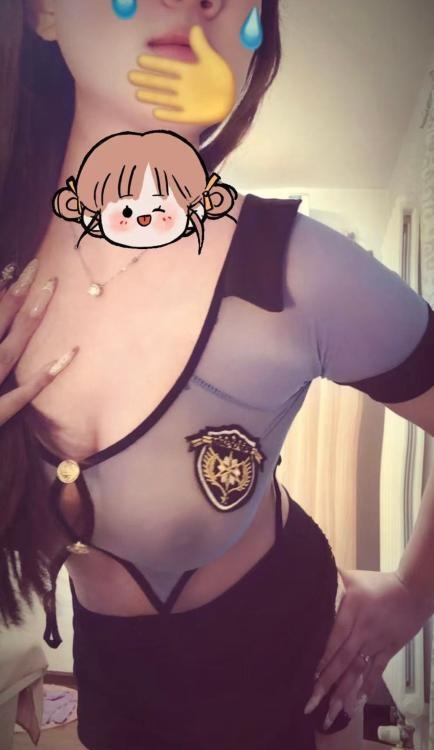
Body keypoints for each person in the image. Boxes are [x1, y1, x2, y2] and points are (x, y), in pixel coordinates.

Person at [0, 2, 433, 748]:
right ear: (42, 12)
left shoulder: (298, 270)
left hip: (286, 661)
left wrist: (411, 592)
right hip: (108, 676)